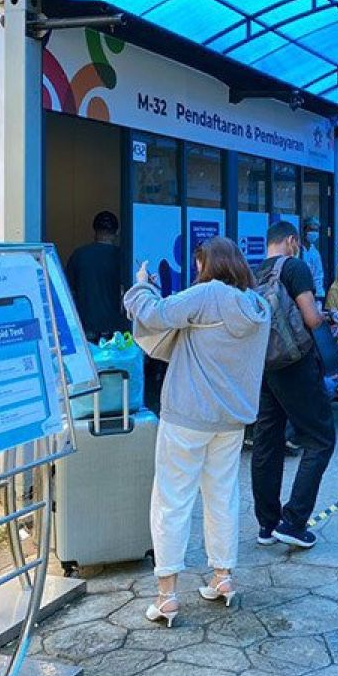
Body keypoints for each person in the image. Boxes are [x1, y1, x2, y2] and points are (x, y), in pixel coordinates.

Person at [123, 237, 271, 627]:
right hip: (231, 421)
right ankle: (223, 579)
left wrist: (141, 284)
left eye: (198, 263)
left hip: (187, 416)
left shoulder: (206, 295)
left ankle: (167, 596)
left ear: (208, 264)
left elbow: (154, 314)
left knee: (172, 500)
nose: (196, 270)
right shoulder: (258, 306)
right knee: (222, 497)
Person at [251, 221, 337, 550]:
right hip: (295, 363)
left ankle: (266, 524)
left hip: (266, 365)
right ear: (291, 241)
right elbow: (311, 318)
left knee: (267, 441)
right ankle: (294, 521)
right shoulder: (295, 267)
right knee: (320, 438)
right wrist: (331, 317)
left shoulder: (255, 271)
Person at [65, 210, 127, 341]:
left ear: (95, 231)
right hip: (116, 331)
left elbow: (67, 291)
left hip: (86, 328)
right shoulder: (124, 257)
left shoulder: (79, 255)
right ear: (117, 232)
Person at [300, 216, 326, 301]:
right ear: (304, 230)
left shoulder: (315, 253)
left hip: (311, 294)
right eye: (311, 229)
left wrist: (319, 294)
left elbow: (318, 275)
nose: (314, 233)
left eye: (316, 230)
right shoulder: (297, 249)